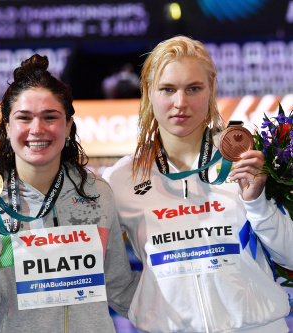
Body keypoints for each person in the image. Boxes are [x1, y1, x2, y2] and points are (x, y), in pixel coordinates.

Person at [103, 35, 293, 332]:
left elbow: (291, 256)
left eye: (193, 88)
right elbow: (107, 271)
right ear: (149, 92)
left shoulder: (249, 159)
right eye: (168, 89)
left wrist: (256, 202)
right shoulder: (121, 179)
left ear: (211, 90)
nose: (181, 103)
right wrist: (150, 313)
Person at [0, 54, 140, 332]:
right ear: (8, 127)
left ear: (68, 126)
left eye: (50, 117)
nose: (38, 129)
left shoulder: (98, 194)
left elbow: (119, 287)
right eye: (24, 118)